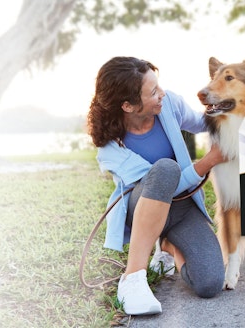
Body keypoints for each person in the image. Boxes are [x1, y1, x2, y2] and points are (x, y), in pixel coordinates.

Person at [87, 56, 226, 315]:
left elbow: (202, 122)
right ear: (128, 106)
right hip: (141, 206)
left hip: (181, 208)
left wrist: (240, 107)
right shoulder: (109, 146)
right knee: (165, 169)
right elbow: (164, 184)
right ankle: (132, 278)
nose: (162, 94)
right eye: (153, 92)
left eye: (158, 86)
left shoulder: (169, 103)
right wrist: (208, 162)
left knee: (209, 283)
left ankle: (169, 246)